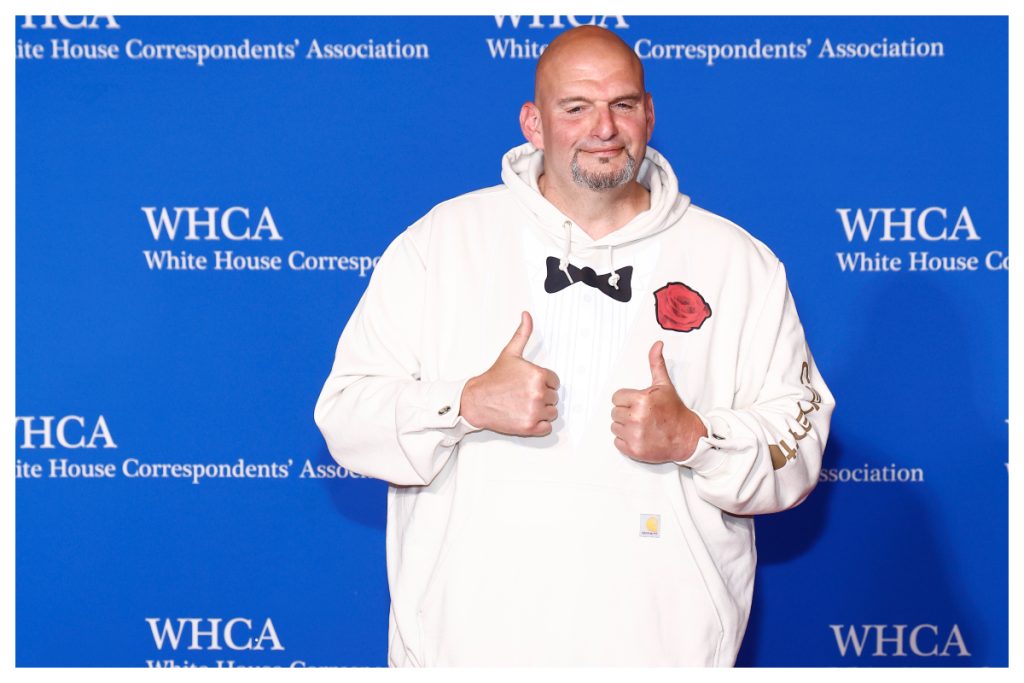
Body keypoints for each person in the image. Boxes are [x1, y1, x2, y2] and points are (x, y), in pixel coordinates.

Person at [315, 25, 834, 667]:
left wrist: (698, 437)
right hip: (466, 654)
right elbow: (344, 418)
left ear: (648, 114)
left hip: (661, 655)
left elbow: (798, 449)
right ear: (534, 123)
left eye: (622, 104)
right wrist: (464, 403)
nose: (604, 128)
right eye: (576, 107)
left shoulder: (739, 263)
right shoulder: (439, 244)